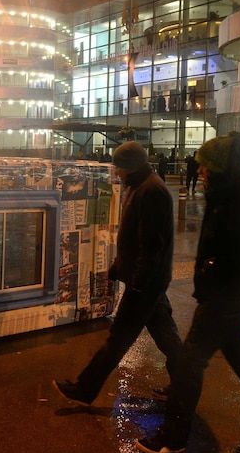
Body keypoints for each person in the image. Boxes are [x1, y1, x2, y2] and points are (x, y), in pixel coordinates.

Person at [136, 131, 240, 453]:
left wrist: (213, 268)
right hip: (226, 293)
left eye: (205, 166)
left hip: (225, 295)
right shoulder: (224, 191)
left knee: (189, 363)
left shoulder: (239, 195)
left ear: (219, 167)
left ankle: (174, 435)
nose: (199, 171)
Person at [53, 141, 183, 407]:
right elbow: (134, 240)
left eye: (119, 167)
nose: (116, 173)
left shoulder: (151, 191)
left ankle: (85, 389)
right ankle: (186, 384)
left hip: (145, 282)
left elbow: (151, 245)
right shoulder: (141, 186)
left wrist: (138, 283)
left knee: (118, 338)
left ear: (131, 166)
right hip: (145, 279)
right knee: (167, 338)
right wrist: (118, 268)